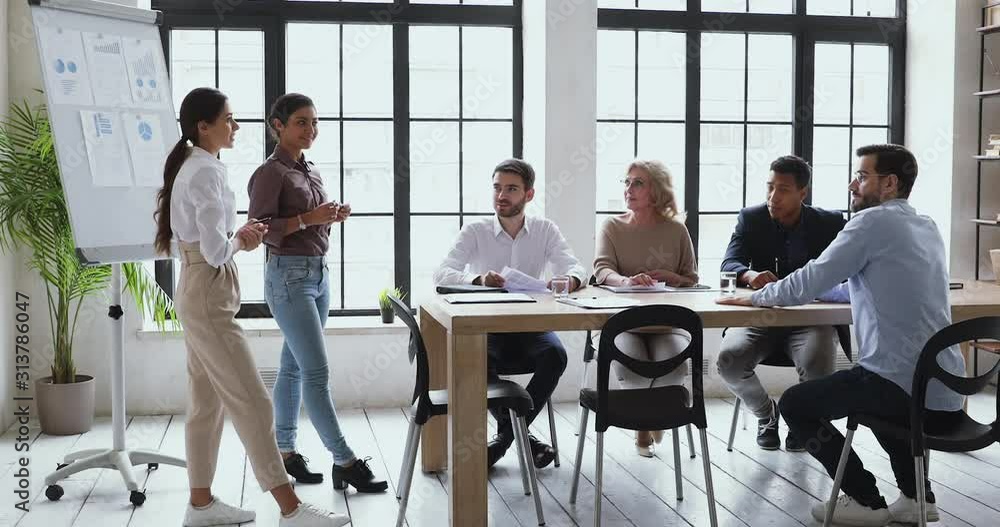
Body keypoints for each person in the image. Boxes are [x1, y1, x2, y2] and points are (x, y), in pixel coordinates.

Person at [717, 144, 966, 527]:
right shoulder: (925, 225)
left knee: (796, 405)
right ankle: (917, 497)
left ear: (890, 183)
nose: (852, 184)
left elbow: (810, 279)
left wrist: (755, 297)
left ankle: (866, 500)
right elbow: (856, 283)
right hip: (945, 391)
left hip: (901, 387)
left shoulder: (870, 224)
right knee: (878, 396)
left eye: (862, 176)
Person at [154, 87, 350, 527]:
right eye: (229, 119)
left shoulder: (196, 165)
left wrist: (241, 235)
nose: (236, 126)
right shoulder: (205, 172)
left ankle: (200, 504)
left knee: (206, 404)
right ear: (204, 126)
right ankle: (291, 509)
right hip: (208, 293)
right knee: (255, 402)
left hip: (197, 289)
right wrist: (243, 239)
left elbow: (204, 244)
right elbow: (216, 252)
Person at [247, 93, 387, 493]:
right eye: (301, 122)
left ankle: (285, 452)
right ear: (278, 126)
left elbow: (308, 224)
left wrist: (330, 217)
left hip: (318, 275)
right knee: (316, 373)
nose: (311, 130)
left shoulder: (309, 169)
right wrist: (310, 217)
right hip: (289, 279)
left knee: (293, 367)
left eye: (314, 122)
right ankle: (345, 460)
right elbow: (260, 229)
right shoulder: (270, 173)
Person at [433, 158, 586, 469]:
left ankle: (503, 440)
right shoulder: (475, 230)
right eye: (497, 188)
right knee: (473, 359)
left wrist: (571, 279)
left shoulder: (545, 230)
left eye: (511, 189)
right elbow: (442, 273)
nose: (501, 195)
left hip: (530, 327)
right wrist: (478, 279)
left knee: (556, 355)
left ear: (529, 194)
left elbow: (575, 267)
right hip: (486, 328)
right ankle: (521, 437)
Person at [717, 154, 847, 452]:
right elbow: (729, 263)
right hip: (760, 316)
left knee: (819, 369)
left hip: (811, 320)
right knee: (728, 362)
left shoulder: (830, 223)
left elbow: (847, 271)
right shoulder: (751, 218)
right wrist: (749, 274)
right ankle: (766, 415)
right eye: (770, 187)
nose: (773, 197)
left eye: (783, 189)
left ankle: (802, 421)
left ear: (803, 193)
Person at [593, 159, 697, 457]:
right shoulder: (612, 226)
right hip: (622, 324)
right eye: (626, 182)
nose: (629, 188)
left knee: (673, 368)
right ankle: (645, 428)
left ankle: (650, 421)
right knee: (635, 372)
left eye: (638, 182)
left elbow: (691, 278)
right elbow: (602, 270)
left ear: (657, 191)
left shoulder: (676, 230)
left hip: (666, 325)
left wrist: (671, 277)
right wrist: (626, 281)